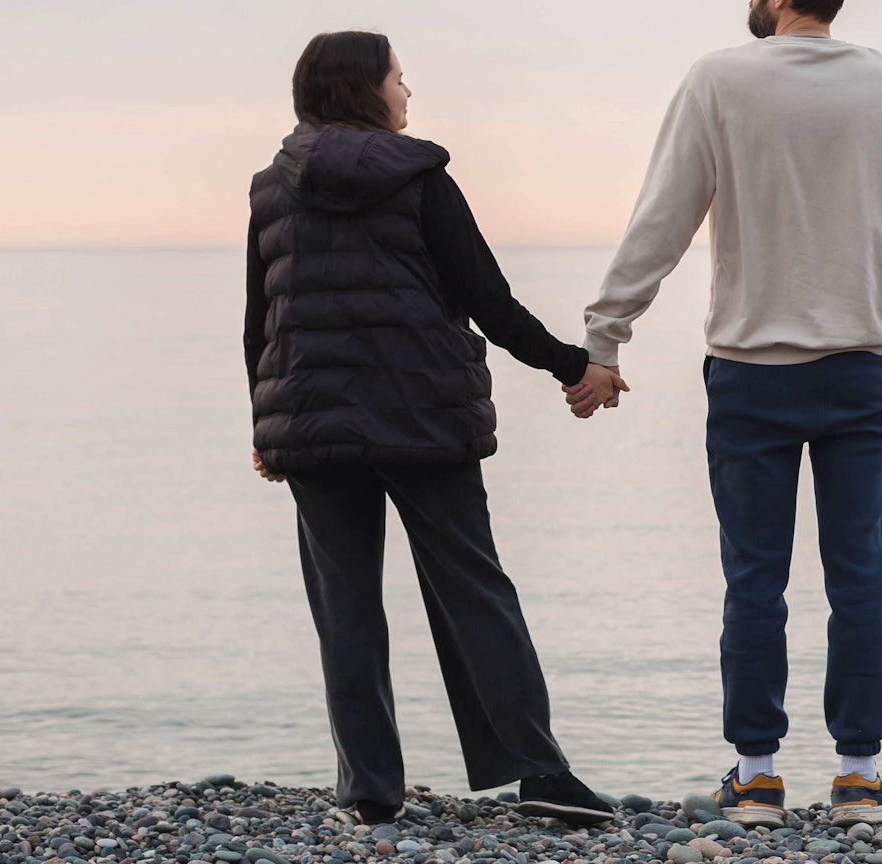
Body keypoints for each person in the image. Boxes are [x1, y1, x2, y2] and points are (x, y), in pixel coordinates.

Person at [566, 0, 882, 828]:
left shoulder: (719, 78)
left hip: (749, 373)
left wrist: (606, 335)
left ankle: (759, 779)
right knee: (860, 578)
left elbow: (664, 216)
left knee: (753, 581)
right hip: (862, 367)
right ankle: (858, 780)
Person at [244, 30, 623, 826]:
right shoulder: (420, 177)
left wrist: (266, 423)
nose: (408, 95)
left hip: (312, 427)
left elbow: (261, 322)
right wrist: (574, 367)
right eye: (399, 79)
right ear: (363, 89)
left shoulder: (270, 188)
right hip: (422, 418)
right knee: (475, 594)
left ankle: (369, 793)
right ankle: (540, 776)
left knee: (345, 607)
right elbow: (490, 300)